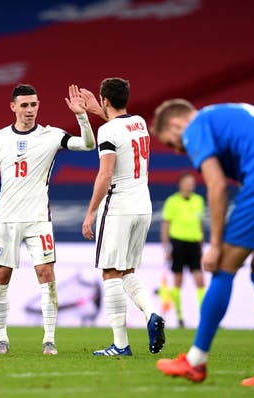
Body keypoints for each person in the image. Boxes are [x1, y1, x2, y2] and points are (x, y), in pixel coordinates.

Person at [151, 99, 254, 386]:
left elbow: (216, 185)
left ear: (177, 125)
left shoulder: (196, 125)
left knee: (223, 265)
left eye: (173, 144)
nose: (180, 151)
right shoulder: (228, 114)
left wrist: (214, 244)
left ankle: (195, 361)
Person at [0, 83, 96, 355]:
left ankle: (49, 340)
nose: (30, 110)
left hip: (38, 219)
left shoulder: (52, 135)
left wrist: (82, 116)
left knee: (46, 274)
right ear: (13, 107)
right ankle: (1, 338)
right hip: (7, 219)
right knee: (1, 275)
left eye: (34, 104)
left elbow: (88, 145)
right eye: (24, 105)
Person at [80, 78, 165, 356]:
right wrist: (95, 110)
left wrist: (91, 212)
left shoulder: (107, 131)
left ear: (105, 99)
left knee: (110, 272)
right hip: (144, 206)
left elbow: (105, 174)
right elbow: (119, 126)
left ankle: (120, 344)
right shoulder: (140, 122)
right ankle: (152, 313)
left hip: (118, 207)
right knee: (127, 271)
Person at [160, 170, 205, 328]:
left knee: (200, 280)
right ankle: (179, 317)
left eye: (192, 184)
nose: (189, 186)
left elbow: (199, 224)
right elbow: (165, 225)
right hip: (178, 243)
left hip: (194, 244)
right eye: (186, 183)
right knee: (178, 281)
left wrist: (201, 244)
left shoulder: (198, 200)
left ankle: (205, 318)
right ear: (180, 184)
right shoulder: (172, 202)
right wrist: (166, 248)